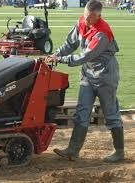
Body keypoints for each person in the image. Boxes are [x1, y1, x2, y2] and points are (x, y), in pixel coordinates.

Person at [47, 0, 124, 163]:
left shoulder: (102, 33)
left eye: (90, 18)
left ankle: (119, 152)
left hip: (105, 75)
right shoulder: (82, 21)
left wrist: (61, 59)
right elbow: (70, 43)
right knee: (82, 111)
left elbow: (85, 56)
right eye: (85, 15)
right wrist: (55, 55)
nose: (86, 20)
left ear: (98, 16)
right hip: (88, 74)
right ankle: (73, 150)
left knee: (110, 114)